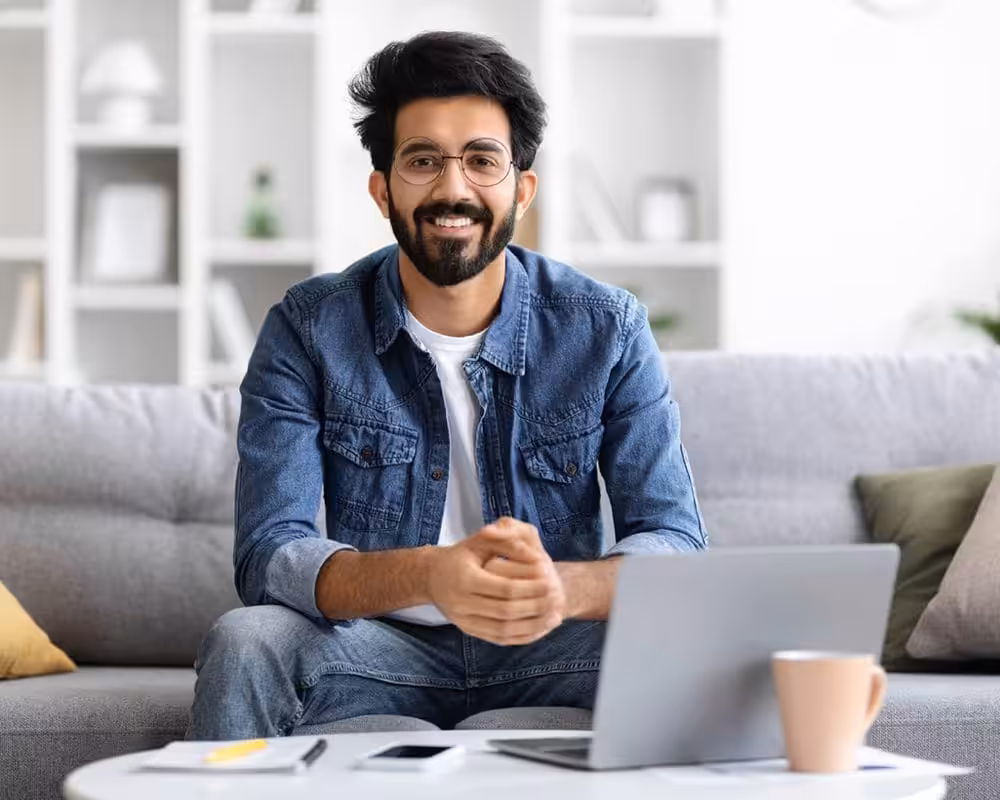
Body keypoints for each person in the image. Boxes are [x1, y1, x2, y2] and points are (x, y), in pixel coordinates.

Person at [188, 30, 707, 740]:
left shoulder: (608, 327)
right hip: (374, 650)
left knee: (700, 640)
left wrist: (560, 589)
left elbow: (674, 539)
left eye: (482, 160)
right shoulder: (307, 328)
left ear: (521, 189)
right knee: (245, 642)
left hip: (552, 644)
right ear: (383, 189)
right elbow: (271, 554)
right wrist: (430, 575)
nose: (453, 188)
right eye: (423, 160)